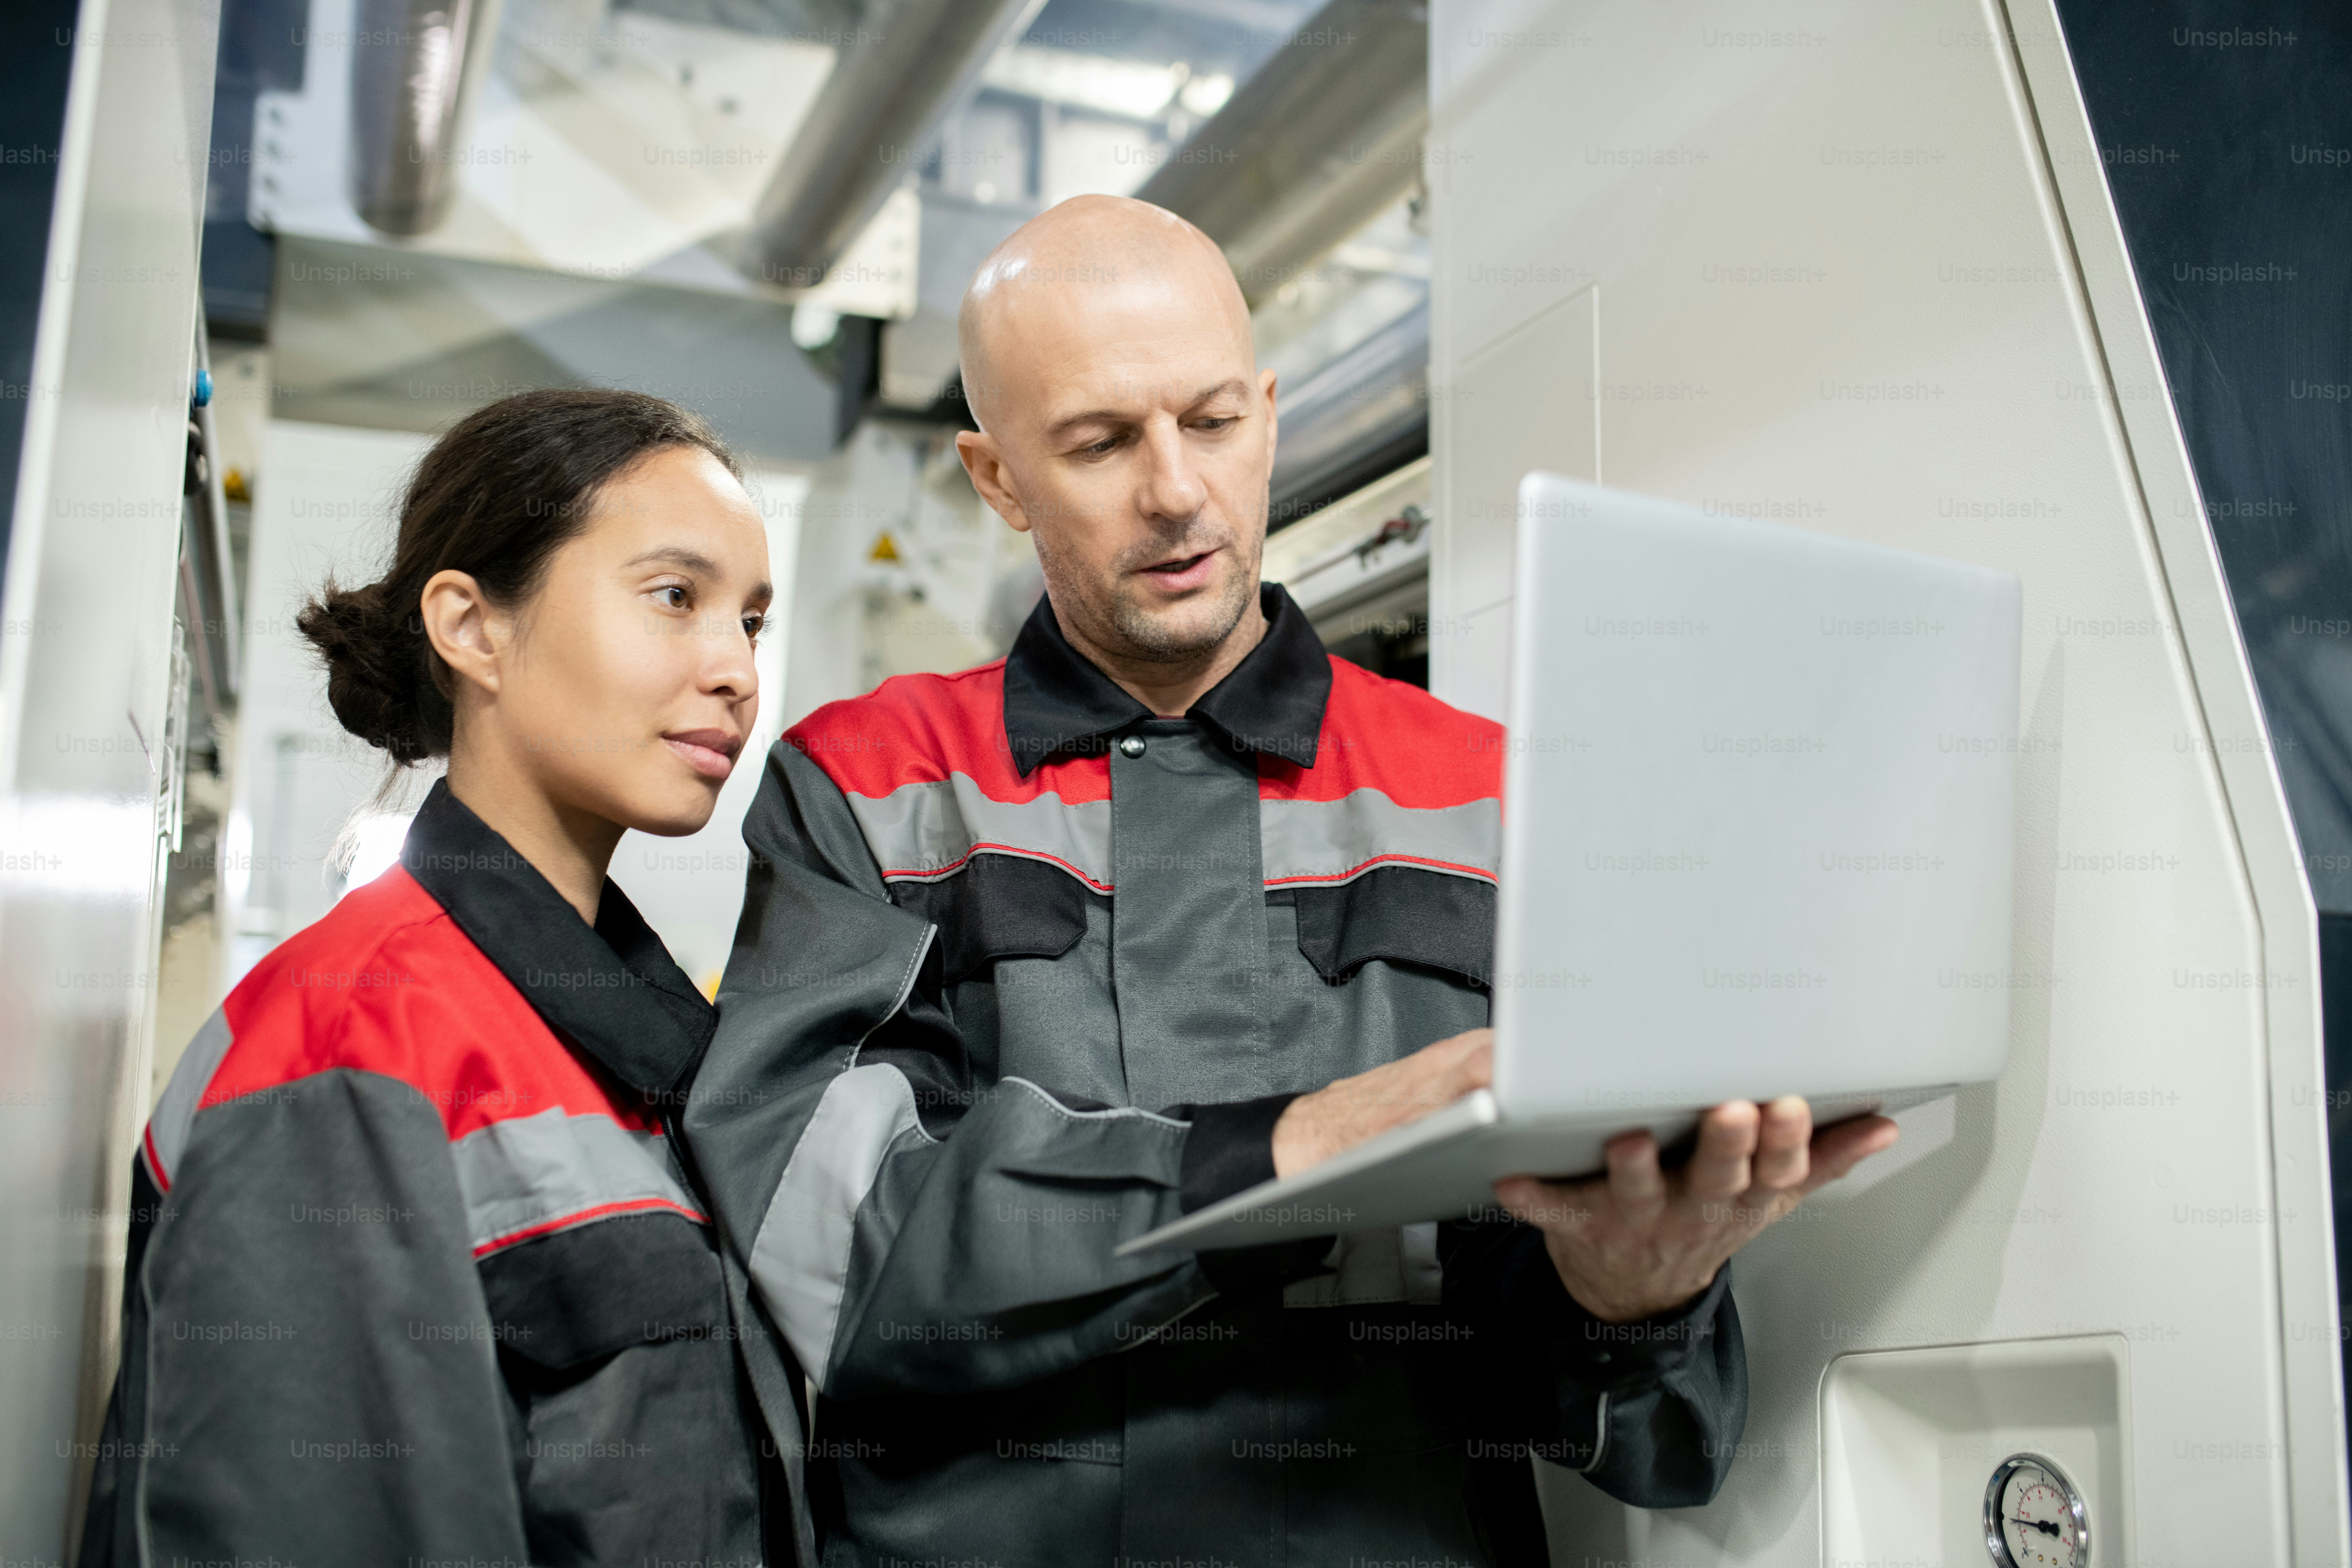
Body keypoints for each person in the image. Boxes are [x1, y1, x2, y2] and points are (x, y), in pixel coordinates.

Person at [683, 197, 1900, 1566]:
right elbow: (837, 1254)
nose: (1176, 490)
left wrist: (1628, 1297)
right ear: (998, 476)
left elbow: (1603, 1379)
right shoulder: (867, 784)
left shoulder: (1492, 797)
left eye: (1211, 422)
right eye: (1097, 441)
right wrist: (1301, 1144)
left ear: (1267, 412)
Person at [79, 389, 790, 1567]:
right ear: (472, 627)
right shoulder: (357, 1043)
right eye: (676, 597)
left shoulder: (641, 1045)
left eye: (752, 622)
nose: (736, 672)